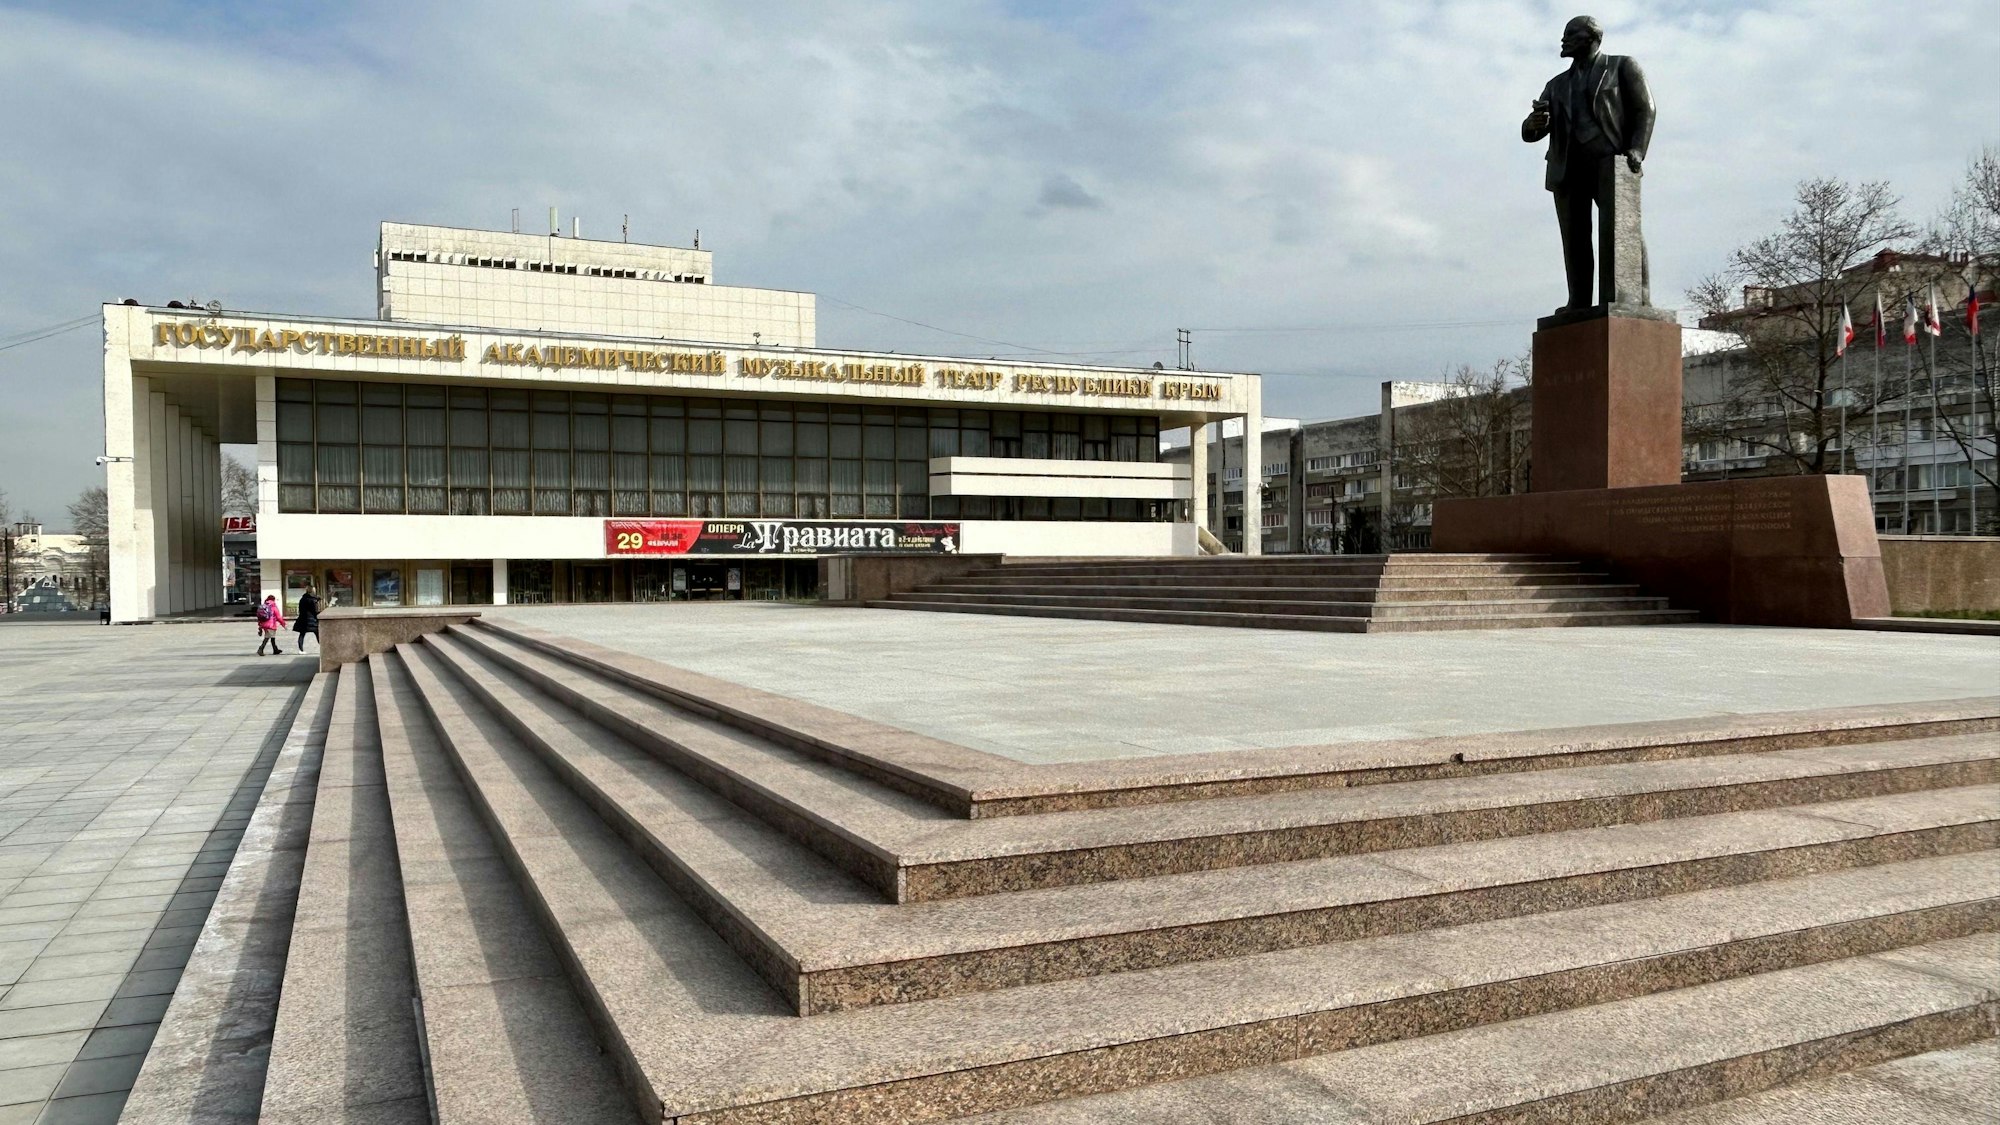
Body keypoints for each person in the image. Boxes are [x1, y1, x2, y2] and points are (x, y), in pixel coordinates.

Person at [1521, 14, 1655, 312]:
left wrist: (1637, 148)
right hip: (1567, 167)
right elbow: (1533, 132)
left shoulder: (1621, 66)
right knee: (1575, 239)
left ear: (1592, 37)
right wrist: (1534, 123)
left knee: (1622, 229)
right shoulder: (1556, 85)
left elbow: (1645, 108)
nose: (1563, 40)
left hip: (1612, 161)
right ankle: (1578, 302)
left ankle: (1628, 299)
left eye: (1571, 34)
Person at [294, 585, 322, 653]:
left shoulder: (303, 599)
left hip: (303, 619)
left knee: (302, 634)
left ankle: (301, 650)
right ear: (312, 591)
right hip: (311, 620)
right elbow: (314, 611)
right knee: (317, 633)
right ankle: (322, 648)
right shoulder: (311, 600)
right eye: (314, 590)